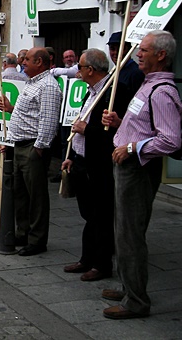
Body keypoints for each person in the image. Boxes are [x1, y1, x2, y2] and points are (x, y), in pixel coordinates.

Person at [101, 30, 182, 320]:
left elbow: (170, 140)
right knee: (122, 231)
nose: (137, 54)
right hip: (128, 166)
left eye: (144, 50)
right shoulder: (148, 85)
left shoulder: (161, 92)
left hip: (138, 169)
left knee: (130, 235)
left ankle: (136, 300)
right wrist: (121, 123)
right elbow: (146, 125)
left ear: (161, 55)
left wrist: (133, 146)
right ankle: (127, 286)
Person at [61, 49, 128, 282]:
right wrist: (73, 155)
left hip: (99, 164)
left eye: (79, 66)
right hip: (81, 161)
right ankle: (86, 258)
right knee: (89, 215)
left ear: (90, 69)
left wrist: (86, 131)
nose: (77, 71)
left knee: (101, 216)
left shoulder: (112, 94)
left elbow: (115, 134)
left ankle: (102, 264)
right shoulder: (90, 93)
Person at [0, 47, 62, 256]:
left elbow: (48, 120)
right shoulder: (32, 82)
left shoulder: (48, 86)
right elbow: (30, 113)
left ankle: (37, 239)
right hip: (20, 144)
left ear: (40, 63)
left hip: (33, 146)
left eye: (27, 59)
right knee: (21, 193)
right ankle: (23, 231)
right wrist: (11, 108)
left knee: (36, 196)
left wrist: (39, 147)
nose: (23, 62)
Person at [107, 31, 145, 99]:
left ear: (129, 49)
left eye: (120, 49)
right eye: (112, 49)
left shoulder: (136, 73)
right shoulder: (113, 71)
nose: (116, 53)